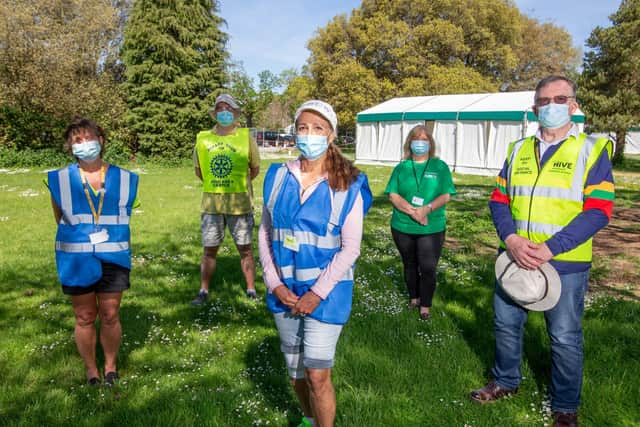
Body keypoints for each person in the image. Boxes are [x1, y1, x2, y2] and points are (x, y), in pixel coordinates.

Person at [470, 76, 614, 427]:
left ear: (573, 105)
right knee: (505, 324)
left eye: (559, 98)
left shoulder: (591, 149)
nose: (551, 105)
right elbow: (499, 199)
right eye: (544, 100)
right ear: (535, 108)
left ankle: (565, 406)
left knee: (564, 337)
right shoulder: (518, 149)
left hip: (564, 263)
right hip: (515, 258)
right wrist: (512, 240)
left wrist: (551, 248)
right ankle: (505, 381)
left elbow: (599, 209)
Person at [258, 100, 372, 427]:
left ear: (332, 135)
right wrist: (274, 282)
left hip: (326, 295)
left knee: (317, 375)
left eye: (317, 128)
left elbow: (350, 249)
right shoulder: (278, 176)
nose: (309, 135)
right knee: (296, 373)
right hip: (285, 292)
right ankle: (308, 419)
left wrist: (317, 293)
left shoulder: (349, 184)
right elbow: (265, 232)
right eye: (303, 127)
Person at [47, 118, 139, 386]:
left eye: (89, 137)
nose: (84, 143)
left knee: (110, 315)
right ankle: (91, 370)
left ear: (102, 140)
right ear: (70, 146)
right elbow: (60, 217)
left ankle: (110, 366)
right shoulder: (61, 180)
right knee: (84, 316)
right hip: (76, 259)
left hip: (114, 256)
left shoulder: (123, 178)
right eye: (77, 140)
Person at [192, 93, 260, 305]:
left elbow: (255, 169)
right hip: (212, 205)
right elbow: (199, 171)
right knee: (209, 249)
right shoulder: (203, 139)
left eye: (228, 108)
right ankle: (203, 290)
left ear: (235, 112)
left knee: (245, 248)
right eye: (220, 108)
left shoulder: (245, 137)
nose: (224, 112)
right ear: (215, 113)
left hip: (240, 204)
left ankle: (250, 289)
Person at [384, 125, 456, 320]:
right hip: (402, 226)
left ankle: (425, 305)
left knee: (428, 267)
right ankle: (414, 298)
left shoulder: (439, 166)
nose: (420, 143)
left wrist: (426, 209)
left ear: (430, 143)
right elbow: (393, 194)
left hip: (431, 227)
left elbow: (446, 194)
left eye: (424, 139)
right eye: (416, 139)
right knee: (409, 263)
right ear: (409, 143)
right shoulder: (401, 167)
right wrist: (413, 212)